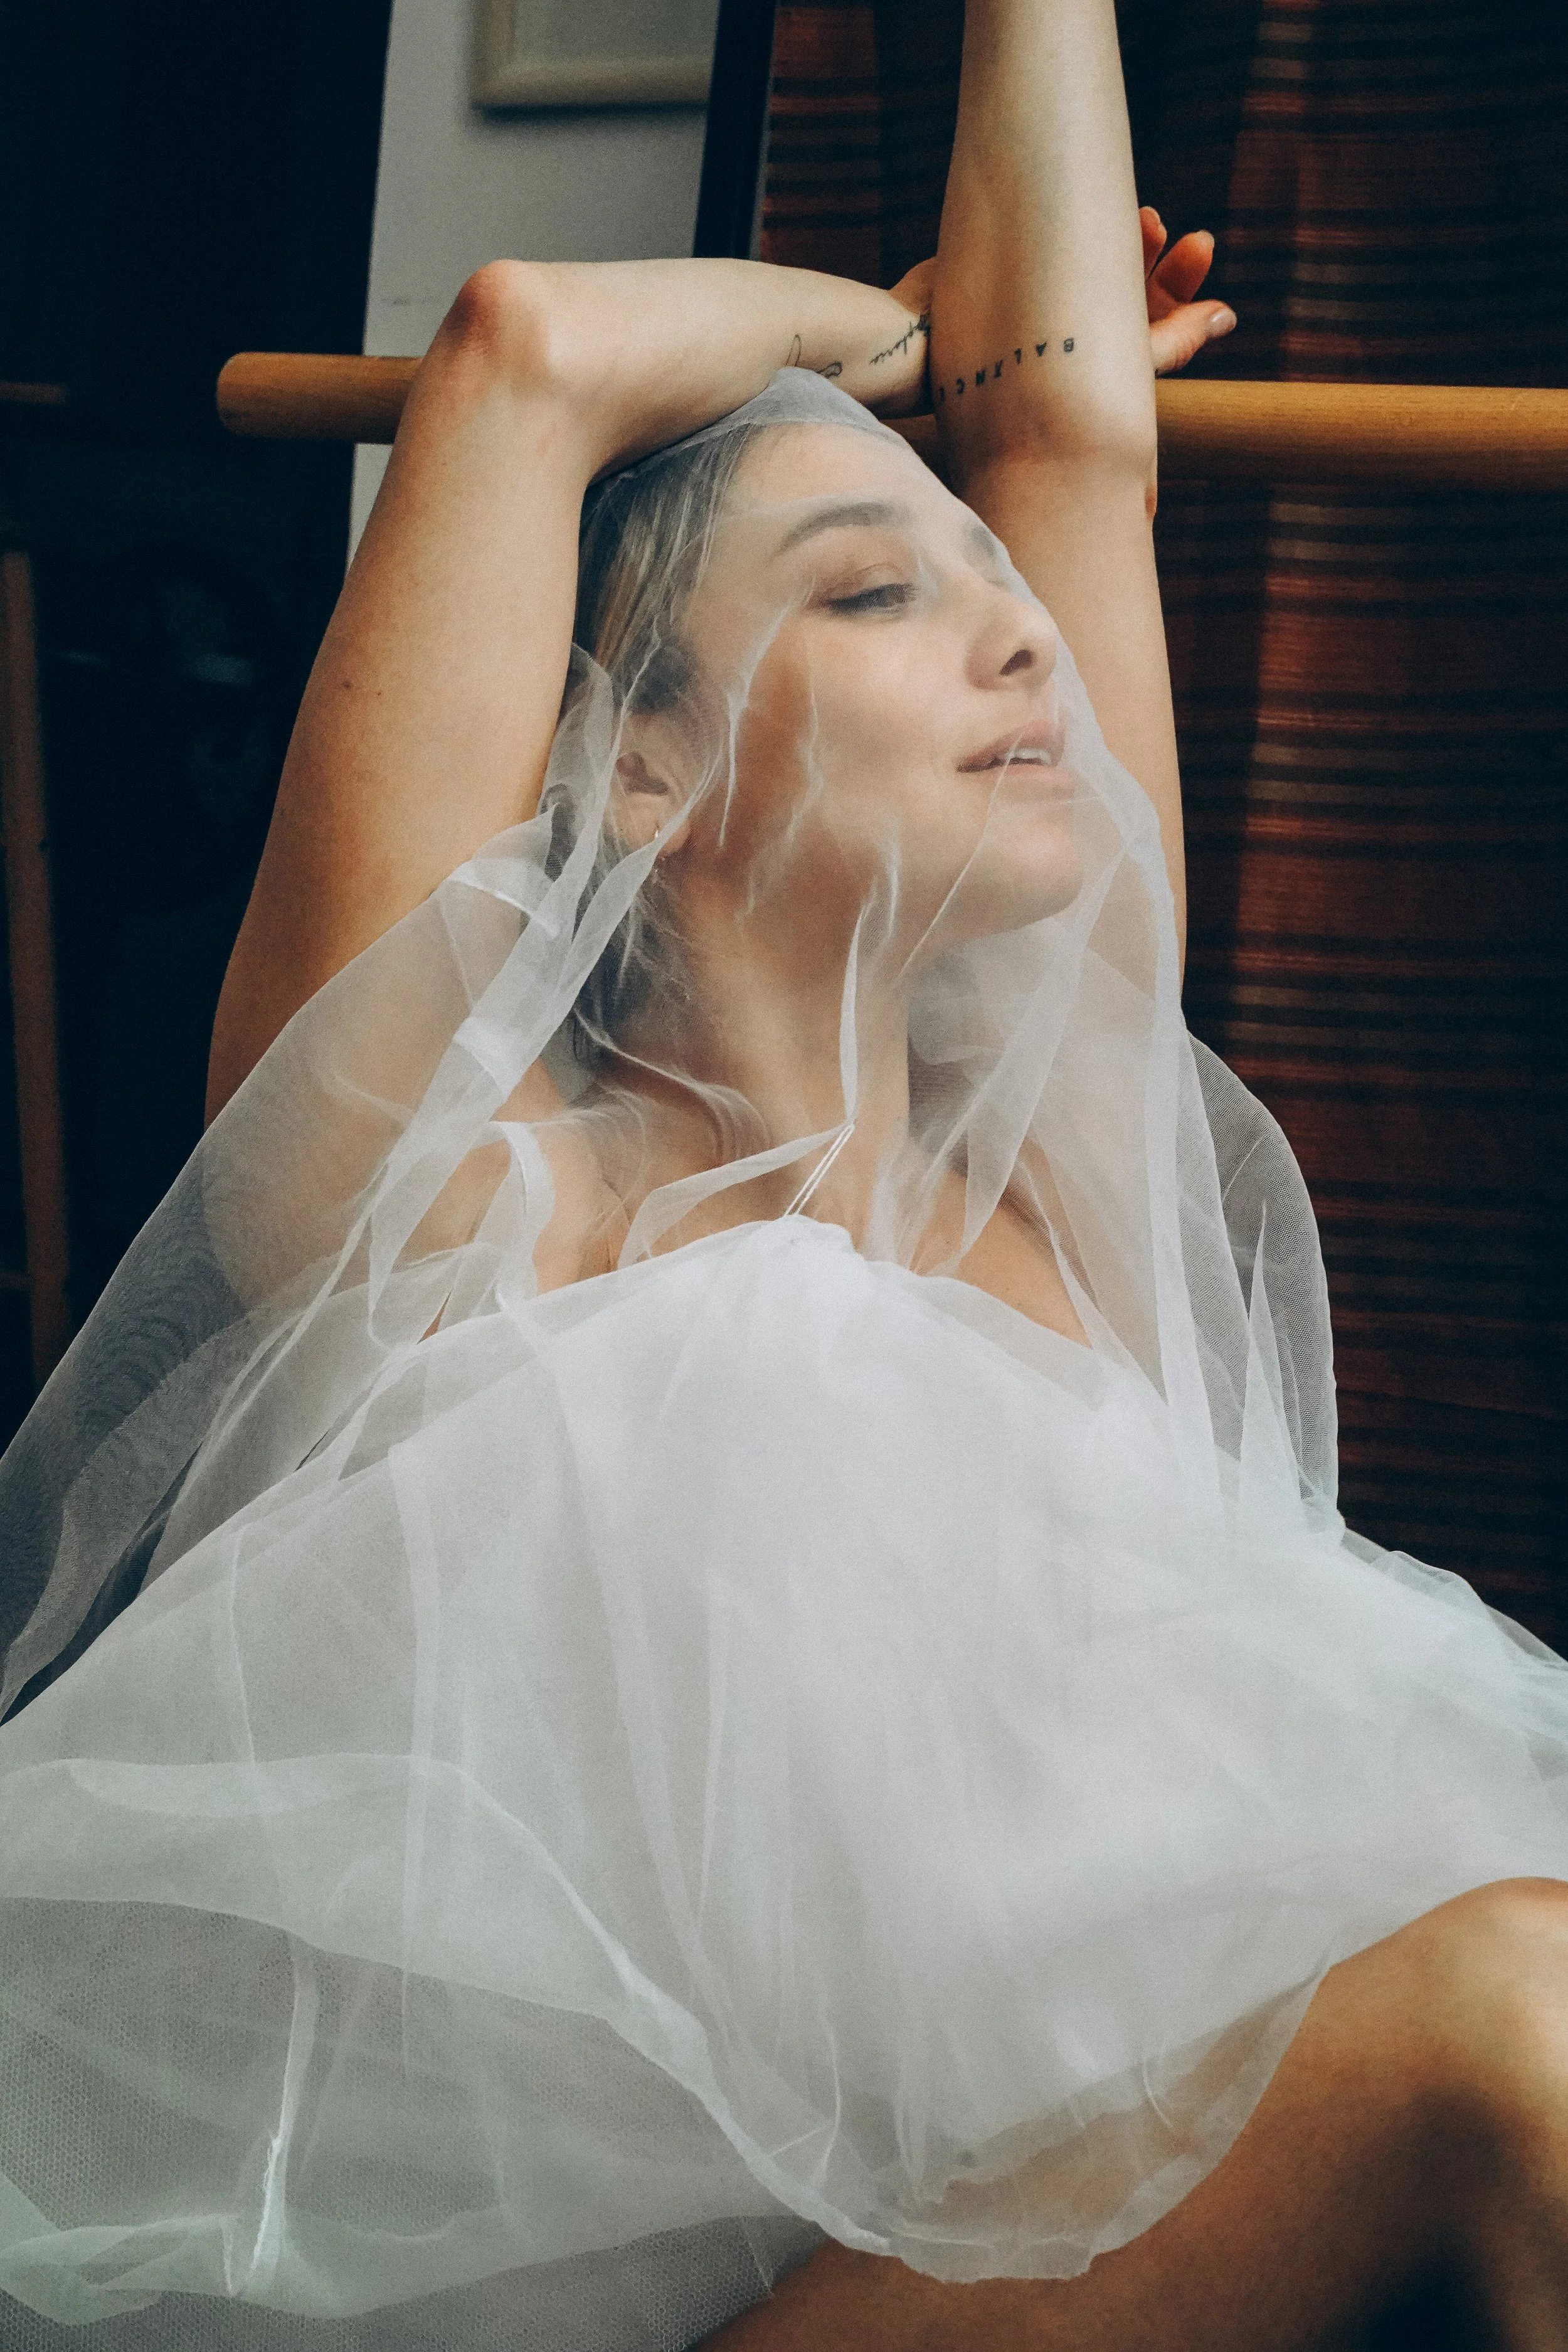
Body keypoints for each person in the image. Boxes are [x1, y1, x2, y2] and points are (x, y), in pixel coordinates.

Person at [4, 4, 1568, 2349]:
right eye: (870, 594)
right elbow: (522, 356)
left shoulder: (1062, 1188)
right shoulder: (461, 1219)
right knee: (1506, 2020)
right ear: (632, 767)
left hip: (1166, 2246)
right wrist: (867, 336)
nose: (1016, 626)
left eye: (982, 582)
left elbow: (1064, 434)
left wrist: (982, 365)